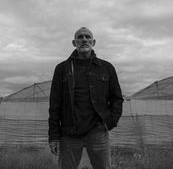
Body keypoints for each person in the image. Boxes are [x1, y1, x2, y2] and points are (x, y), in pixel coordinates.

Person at [48, 27, 123, 169]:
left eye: (87, 37)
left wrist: (110, 122)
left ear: (93, 42)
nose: (84, 40)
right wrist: (54, 136)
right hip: (69, 132)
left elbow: (117, 98)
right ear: (74, 42)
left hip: (97, 131)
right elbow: (54, 104)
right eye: (80, 37)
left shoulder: (106, 68)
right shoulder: (62, 69)